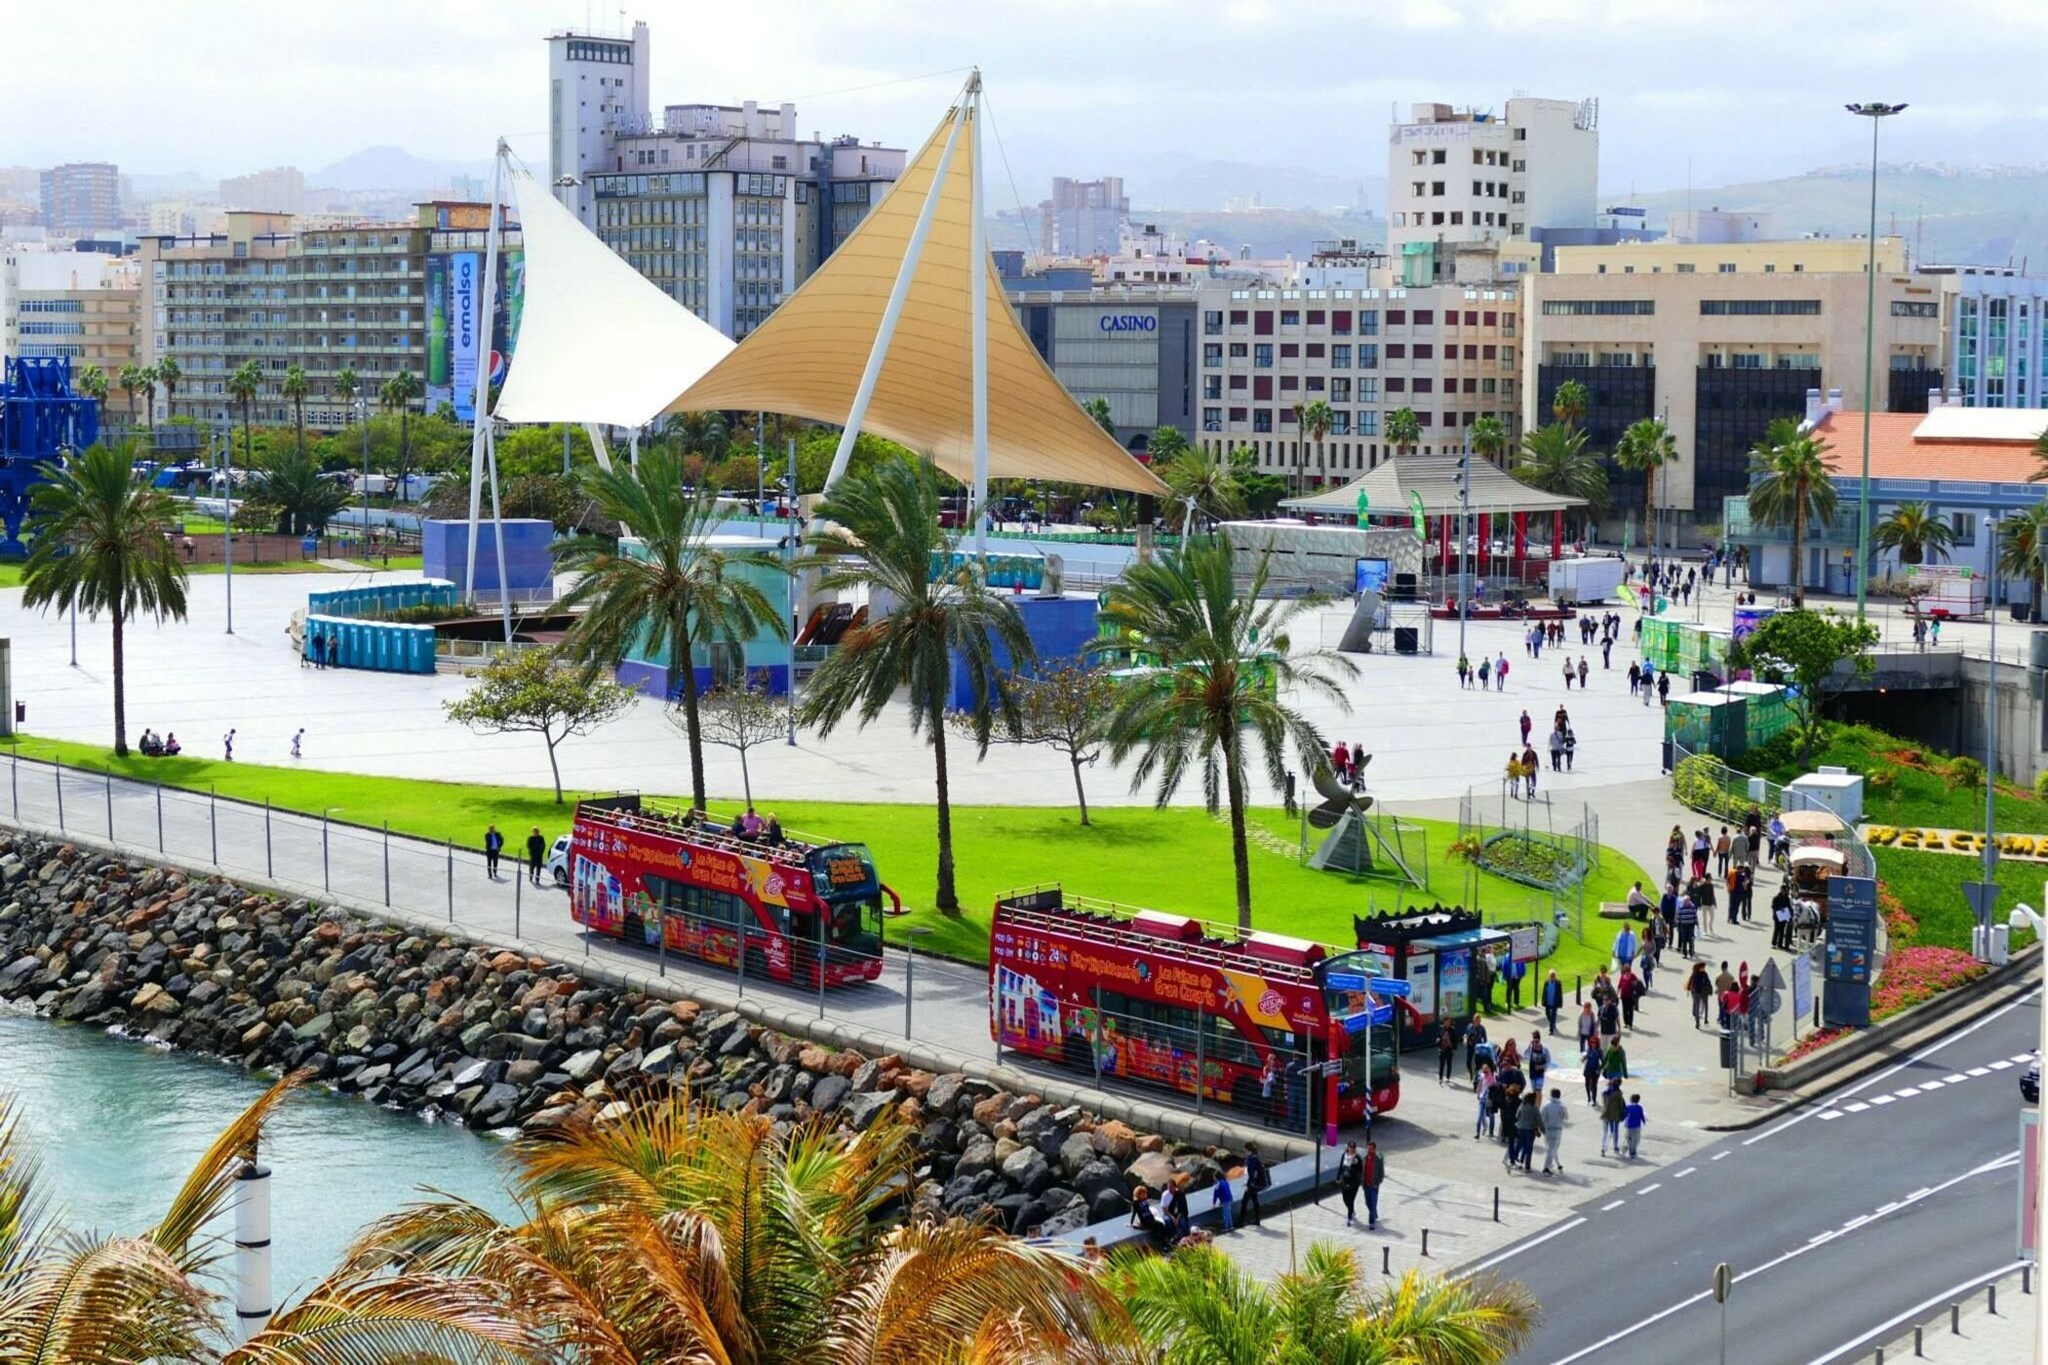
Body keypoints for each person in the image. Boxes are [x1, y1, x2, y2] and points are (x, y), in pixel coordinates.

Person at [1129, 1185, 1172, 1249]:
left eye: (1145, 1193)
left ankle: (1166, 1243)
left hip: (1151, 1219)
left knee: (1161, 1226)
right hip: (1146, 1221)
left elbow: (1148, 1210)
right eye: (1142, 1194)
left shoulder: (1145, 1200)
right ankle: (1164, 1245)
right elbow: (1134, 1213)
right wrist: (1131, 1222)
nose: (1144, 1195)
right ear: (1138, 1194)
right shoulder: (1136, 1203)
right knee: (1160, 1225)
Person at [1513, 1087, 1544, 1172]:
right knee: (1529, 1148)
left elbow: (1517, 1116)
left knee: (1520, 1144)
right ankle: (1527, 1166)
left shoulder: (1522, 1106)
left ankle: (1515, 1159)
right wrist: (1543, 1130)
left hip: (1520, 1128)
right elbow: (1539, 1120)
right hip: (1530, 1130)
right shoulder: (1534, 1109)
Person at [1540, 1087, 1569, 1174]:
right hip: (1557, 1130)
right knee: (1552, 1149)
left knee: (1551, 1148)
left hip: (1547, 1130)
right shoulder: (1562, 1106)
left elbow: (1542, 1118)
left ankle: (1557, 1164)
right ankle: (1546, 1168)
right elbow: (1566, 1117)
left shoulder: (1546, 1105)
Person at [1337, 1139, 1363, 1224]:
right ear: (1347, 1147)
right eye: (1350, 1147)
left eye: (1353, 1147)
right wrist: (1338, 1177)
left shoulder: (1357, 1158)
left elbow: (1361, 1170)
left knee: (1351, 1199)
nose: (1352, 1149)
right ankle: (1351, 1210)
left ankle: (1349, 1218)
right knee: (1345, 1199)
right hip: (1344, 1180)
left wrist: (1355, 1165)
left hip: (1354, 1182)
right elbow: (1341, 1167)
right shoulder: (1344, 1155)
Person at [1240, 1143, 1267, 1226]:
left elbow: (1252, 1173)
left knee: (1244, 1202)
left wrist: (1249, 1184)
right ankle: (1257, 1220)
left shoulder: (1252, 1159)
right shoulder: (1256, 1157)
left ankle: (1241, 1222)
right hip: (1256, 1183)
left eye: (1244, 1150)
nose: (1244, 1152)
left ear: (1249, 1150)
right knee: (1255, 1201)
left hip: (1252, 1184)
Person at [1360, 1139, 1385, 1228]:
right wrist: (1361, 1181)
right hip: (1366, 1184)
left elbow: (1381, 1174)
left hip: (1374, 1185)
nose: (1369, 1150)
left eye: (1371, 1149)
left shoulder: (1378, 1160)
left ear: (1374, 1149)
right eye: (1368, 1148)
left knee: (1373, 1203)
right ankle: (1374, 1213)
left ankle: (1371, 1222)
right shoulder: (1364, 1158)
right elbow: (1362, 1171)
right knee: (1367, 1202)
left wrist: (1377, 1182)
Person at [1600, 1080, 1626, 1156]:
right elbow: (1621, 1106)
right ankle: (1615, 1146)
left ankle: (1603, 1148)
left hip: (1605, 1114)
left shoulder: (1605, 1093)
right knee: (1615, 1132)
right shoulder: (1618, 1094)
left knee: (1605, 1132)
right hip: (1615, 1115)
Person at [1687, 961, 1714, 1028]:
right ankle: (1698, 1022)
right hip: (1700, 992)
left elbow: (1691, 982)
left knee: (1700, 1006)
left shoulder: (1697, 974)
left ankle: (1704, 1020)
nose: (1704, 968)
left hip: (1698, 993)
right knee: (1701, 1006)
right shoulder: (1700, 974)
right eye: (1703, 967)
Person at [1623, 1093, 1648, 1160]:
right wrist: (1643, 1121)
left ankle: (1629, 1148)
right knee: (1635, 1139)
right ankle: (1633, 1152)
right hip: (1637, 1125)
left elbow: (1624, 1114)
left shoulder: (1628, 1107)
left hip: (1629, 1125)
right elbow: (1641, 1115)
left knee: (1628, 1138)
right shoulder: (1640, 1107)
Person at [1210, 1166, 1234, 1232]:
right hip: (1229, 1199)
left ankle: (1227, 1227)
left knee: (1225, 1214)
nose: (1213, 1178)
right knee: (1229, 1213)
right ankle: (1231, 1225)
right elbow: (1227, 1190)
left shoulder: (1218, 1184)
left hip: (1225, 1200)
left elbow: (1215, 1195)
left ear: (1216, 1178)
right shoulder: (1225, 1182)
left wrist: (1214, 1204)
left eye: (1214, 1177)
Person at [1541, 970, 1564, 1034]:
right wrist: (1543, 1000)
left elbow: (1560, 994)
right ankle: (1553, 1023)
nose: (1552, 977)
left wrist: (1560, 1003)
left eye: (1553, 976)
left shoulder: (1558, 983)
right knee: (1547, 1014)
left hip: (1555, 1002)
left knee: (1553, 1015)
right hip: (1548, 1001)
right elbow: (1544, 992)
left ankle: (1551, 1030)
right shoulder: (1546, 982)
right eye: (1551, 976)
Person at [1437, 1017, 1459, 1084]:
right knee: (1441, 1064)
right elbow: (1438, 1036)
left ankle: (1447, 1077)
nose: (1448, 1023)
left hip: (1449, 1049)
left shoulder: (1452, 1030)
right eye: (1447, 1022)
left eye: (1449, 1022)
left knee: (1449, 1064)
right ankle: (1440, 1078)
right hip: (1442, 1049)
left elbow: (1455, 1040)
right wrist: (1438, 1039)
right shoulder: (1440, 1028)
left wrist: (1451, 1043)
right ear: (1444, 1022)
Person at [1582, 1040, 1605, 1105]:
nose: (1593, 1044)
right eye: (1592, 1043)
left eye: (1594, 1043)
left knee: (1594, 1085)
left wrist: (1600, 1069)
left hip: (1595, 1070)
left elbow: (1603, 1061)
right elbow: (1586, 1057)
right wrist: (1584, 1058)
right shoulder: (1588, 1049)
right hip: (1588, 1069)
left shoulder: (1599, 1051)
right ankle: (1589, 1097)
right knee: (1587, 1084)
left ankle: (1594, 1099)